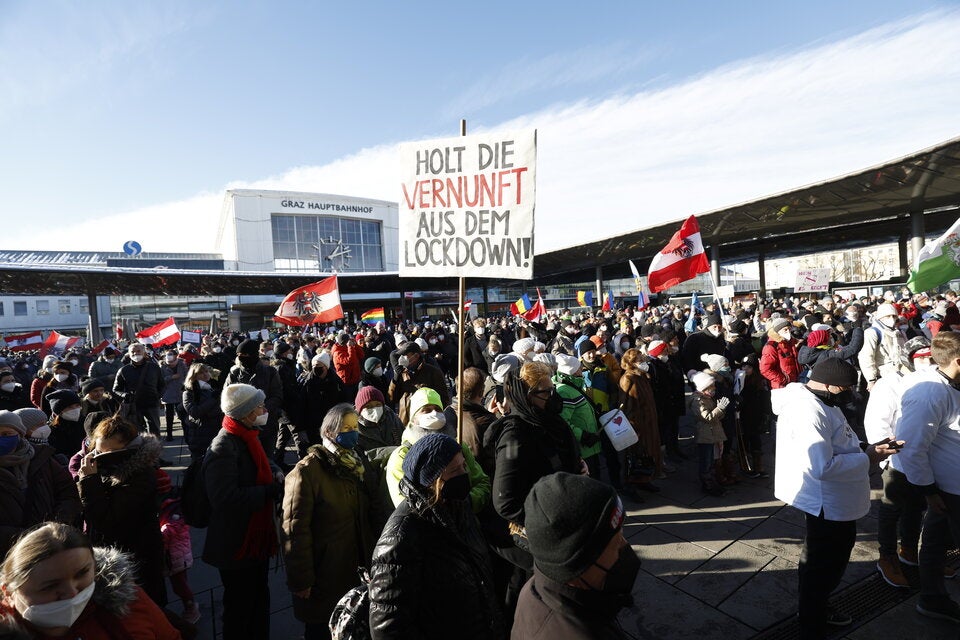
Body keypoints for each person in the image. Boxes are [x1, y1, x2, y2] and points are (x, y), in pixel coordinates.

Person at [772, 358, 898, 638]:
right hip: (825, 503)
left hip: (836, 500)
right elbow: (821, 466)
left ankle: (815, 607)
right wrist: (868, 457)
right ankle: (811, 621)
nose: (849, 394)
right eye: (845, 388)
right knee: (822, 564)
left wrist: (869, 447)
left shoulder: (825, 402)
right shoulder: (809, 411)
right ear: (829, 386)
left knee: (830, 559)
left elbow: (843, 439)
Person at [368, 433, 506, 639]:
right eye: (455, 470)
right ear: (432, 480)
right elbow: (387, 626)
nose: (464, 474)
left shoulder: (460, 506)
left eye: (464, 466)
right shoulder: (402, 535)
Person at [282, 403, 386, 640]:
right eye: (346, 427)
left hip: (355, 566)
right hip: (324, 574)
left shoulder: (357, 462)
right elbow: (294, 531)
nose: (353, 432)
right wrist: (301, 580)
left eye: (355, 426)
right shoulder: (307, 472)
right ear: (329, 431)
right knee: (321, 630)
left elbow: (373, 507)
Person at [512, 472, 640, 639]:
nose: (625, 546)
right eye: (615, 543)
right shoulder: (584, 633)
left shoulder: (537, 588)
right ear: (579, 563)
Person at [0, 522, 180, 639]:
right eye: (50, 586)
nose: (72, 593)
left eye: (82, 573)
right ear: (8, 591)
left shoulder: (127, 599)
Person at [202, 383, 283, 640]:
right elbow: (224, 498)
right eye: (259, 405)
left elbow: (260, 460)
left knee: (258, 599)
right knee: (239, 608)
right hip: (236, 543)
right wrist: (269, 492)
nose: (264, 409)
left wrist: (275, 470)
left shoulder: (247, 434)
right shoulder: (223, 446)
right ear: (247, 412)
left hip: (253, 539)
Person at [895, 330, 960, 622]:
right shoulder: (929, 391)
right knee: (936, 540)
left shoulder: (950, 384)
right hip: (950, 489)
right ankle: (932, 597)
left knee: (936, 540)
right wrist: (929, 491)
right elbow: (911, 447)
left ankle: (932, 596)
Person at [76, 415, 167, 607]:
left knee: (144, 607)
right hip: (110, 554)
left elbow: (106, 520)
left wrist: (89, 482)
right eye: (99, 452)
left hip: (137, 555)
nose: (102, 458)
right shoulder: (105, 468)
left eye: (110, 454)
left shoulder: (141, 475)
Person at [385, 387, 490, 513]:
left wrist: (468, 502)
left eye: (438, 409)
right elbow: (405, 504)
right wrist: (445, 510)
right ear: (413, 418)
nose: (434, 414)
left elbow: (482, 483)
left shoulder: (458, 446)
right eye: (426, 410)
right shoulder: (401, 456)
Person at [0, 410, 81, 558]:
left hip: (51, 545)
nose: (1, 439)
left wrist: (54, 527)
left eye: (6, 434)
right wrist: (25, 537)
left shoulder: (42, 458)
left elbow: (68, 493)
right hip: (7, 554)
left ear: (20, 434)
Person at [224, 339, 284, 461]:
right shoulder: (234, 374)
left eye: (244, 355)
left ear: (253, 355)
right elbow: (227, 397)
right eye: (238, 356)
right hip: (242, 425)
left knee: (266, 460)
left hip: (266, 424)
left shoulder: (270, 372)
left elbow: (277, 396)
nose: (241, 358)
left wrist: (260, 410)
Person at [688, 371, 729, 496]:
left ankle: (712, 483)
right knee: (706, 462)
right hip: (705, 435)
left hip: (712, 433)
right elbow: (707, 417)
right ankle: (708, 485)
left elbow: (717, 417)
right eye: (712, 387)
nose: (714, 389)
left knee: (711, 461)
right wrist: (719, 408)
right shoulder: (698, 400)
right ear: (704, 388)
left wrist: (721, 410)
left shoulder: (707, 398)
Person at [388, 342, 450, 425]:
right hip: (406, 423)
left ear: (416, 356)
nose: (402, 358)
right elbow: (392, 398)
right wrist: (395, 378)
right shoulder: (402, 373)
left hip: (426, 423)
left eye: (405, 355)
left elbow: (444, 399)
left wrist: (433, 416)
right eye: (401, 355)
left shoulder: (433, 372)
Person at [113, 343, 165, 437]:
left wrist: (158, 396)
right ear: (128, 354)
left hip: (152, 404)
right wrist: (125, 395)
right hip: (134, 405)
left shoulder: (154, 367)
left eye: (138, 351)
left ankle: (155, 449)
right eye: (132, 352)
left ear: (144, 352)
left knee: (154, 431)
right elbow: (116, 390)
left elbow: (162, 385)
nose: (135, 354)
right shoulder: (123, 370)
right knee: (135, 432)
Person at [182, 362, 223, 462]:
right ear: (194, 376)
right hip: (199, 433)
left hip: (214, 429)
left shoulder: (210, 388)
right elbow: (195, 412)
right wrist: (213, 400)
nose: (205, 374)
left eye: (206, 371)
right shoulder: (188, 393)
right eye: (201, 373)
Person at [354, 386, 403, 452]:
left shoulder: (391, 416)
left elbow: (403, 436)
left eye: (378, 405)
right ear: (360, 410)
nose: (375, 409)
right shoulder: (354, 428)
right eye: (368, 406)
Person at [760, 317, 801, 390]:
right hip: (781, 386)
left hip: (795, 382)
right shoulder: (771, 346)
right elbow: (765, 369)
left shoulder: (790, 342)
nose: (788, 331)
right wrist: (783, 379)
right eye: (785, 329)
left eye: (789, 329)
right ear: (778, 331)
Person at [45, 389, 85, 460]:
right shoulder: (51, 430)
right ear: (59, 411)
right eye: (69, 407)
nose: (75, 409)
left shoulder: (84, 421)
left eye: (77, 405)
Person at [160, 349, 188, 442]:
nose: (168, 356)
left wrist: (185, 387)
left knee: (183, 415)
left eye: (171, 354)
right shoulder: (163, 366)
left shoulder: (182, 365)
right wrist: (171, 377)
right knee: (169, 416)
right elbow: (160, 380)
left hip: (180, 393)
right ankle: (169, 434)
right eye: (167, 354)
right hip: (168, 394)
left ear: (176, 356)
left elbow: (187, 376)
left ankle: (186, 433)